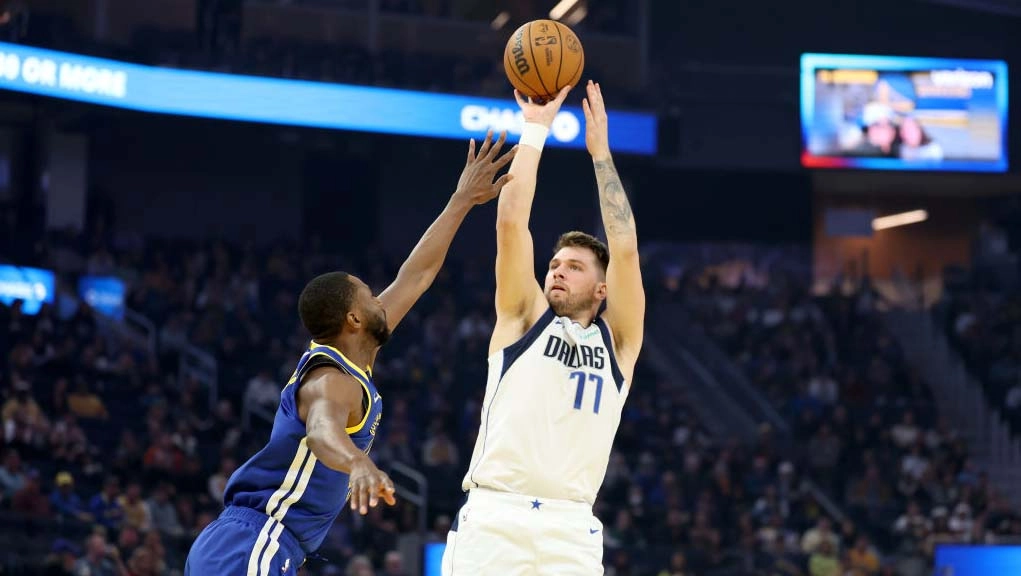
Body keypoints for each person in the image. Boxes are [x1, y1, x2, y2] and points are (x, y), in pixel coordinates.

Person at [185, 131, 517, 575]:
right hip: (256, 539)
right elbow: (322, 431)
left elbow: (416, 276)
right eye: (369, 295)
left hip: (259, 543)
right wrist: (358, 463)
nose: (381, 298)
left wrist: (462, 200)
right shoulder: (332, 379)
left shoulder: (352, 356)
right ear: (354, 319)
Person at [442, 80, 646, 575]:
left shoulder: (618, 342)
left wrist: (600, 155)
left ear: (602, 290)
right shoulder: (523, 317)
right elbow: (511, 223)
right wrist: (534, 130)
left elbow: (624, 249)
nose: (557, 271)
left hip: (571, 527)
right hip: (496, 516)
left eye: (574, 267)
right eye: (555, 264)